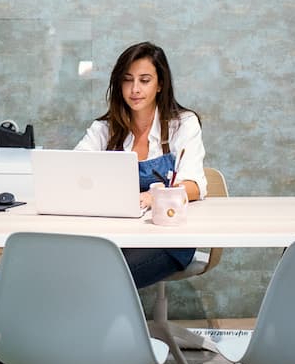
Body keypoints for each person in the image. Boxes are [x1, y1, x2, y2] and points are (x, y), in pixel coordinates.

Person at [75, 40, 207, 289]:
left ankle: (111, 328)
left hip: (169, 239)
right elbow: (74, 171)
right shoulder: (103, 129)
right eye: (127, 80)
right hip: (115, 234)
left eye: (145, 80)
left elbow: (194, 185)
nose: (135, 89)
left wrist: (150, 196)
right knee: (77, 267)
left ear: (160, 85)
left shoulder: (183, 124)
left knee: (105, 275)